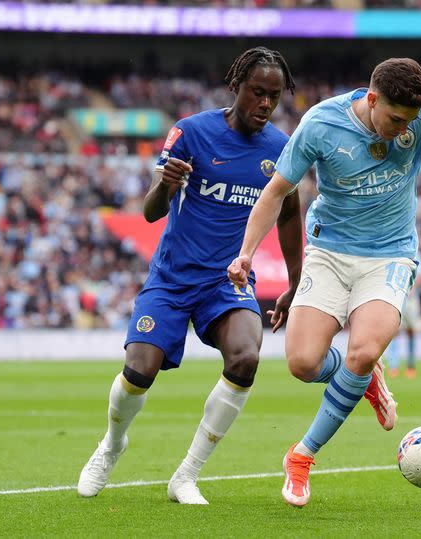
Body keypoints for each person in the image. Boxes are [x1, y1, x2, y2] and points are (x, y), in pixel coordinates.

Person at [228, 36, 421, 507]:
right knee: (302, 364)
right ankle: (366, 381)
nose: (402, 127)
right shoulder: (320, 123)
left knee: (363, 350)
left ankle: (302, 456)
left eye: (409, 120)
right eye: (395, 118)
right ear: (373, 98)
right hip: (330, 252)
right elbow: (277, 191)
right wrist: (246, 254)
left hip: (389, 255)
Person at [77, 47, 303, 504]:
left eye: (273, 97)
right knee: (138, 373)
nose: (264, 104)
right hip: (173, 278)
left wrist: (295, 283)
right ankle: (112, 443)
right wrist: (166, 183)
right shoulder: (191, 132)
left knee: (246, 358)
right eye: (257, 92)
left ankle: (186, 475)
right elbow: (149, 213)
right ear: (237, 86)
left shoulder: (281, 149)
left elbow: (289, 215)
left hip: (229, 281)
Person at [387, 278, 420, 379]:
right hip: (398, 297)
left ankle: (410, 366)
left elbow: (419, 279)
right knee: (394, 332)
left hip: (411, 300)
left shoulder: (419, 262)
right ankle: (393, 367)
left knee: (411, 333)